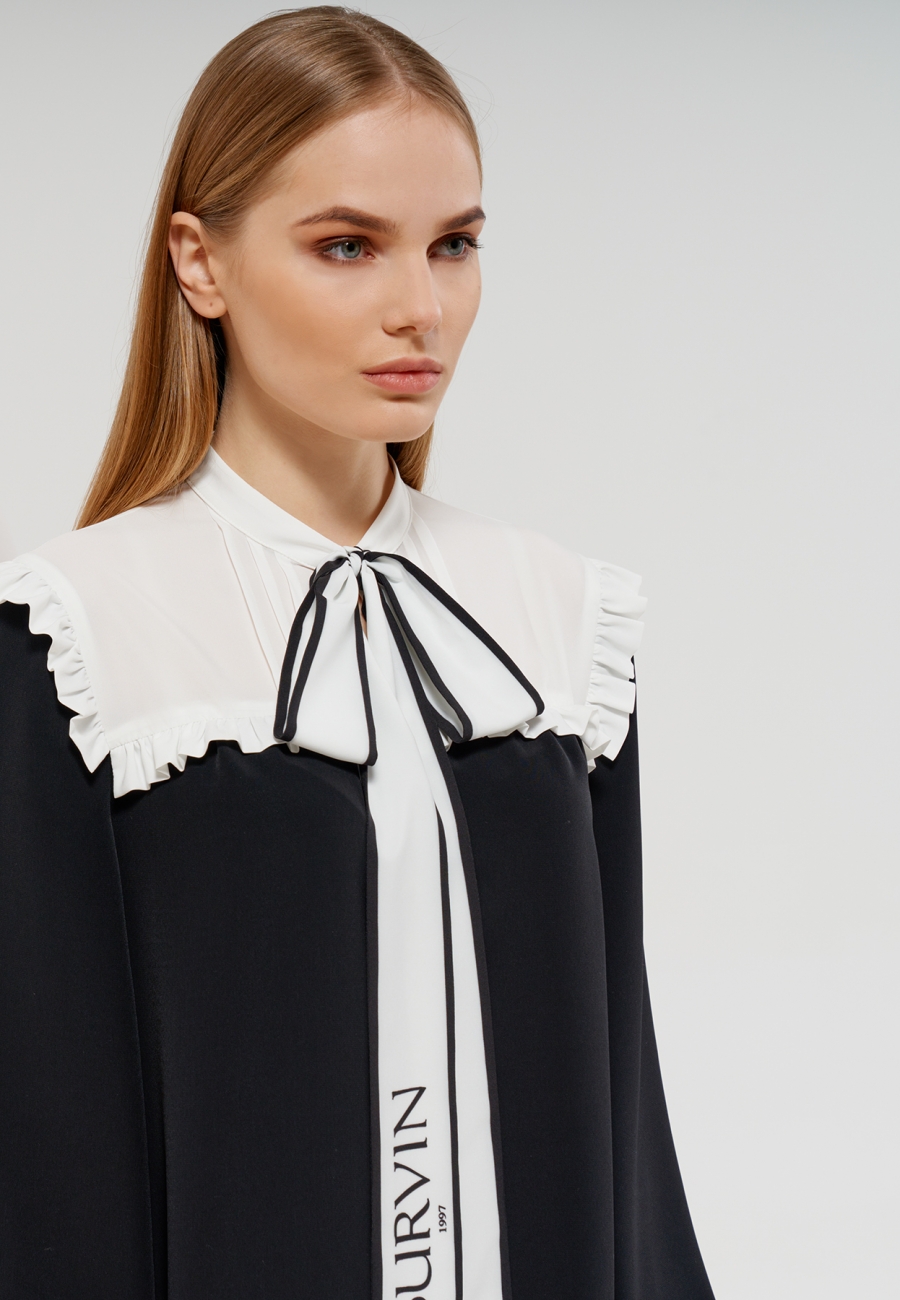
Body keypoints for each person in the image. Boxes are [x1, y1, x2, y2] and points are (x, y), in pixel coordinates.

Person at [0, 9, 714, 1299]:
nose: (419, 307)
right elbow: (53, 1154)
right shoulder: (82, 635)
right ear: (200, 262)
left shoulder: (559, 616)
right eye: (348, 246)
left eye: (455, 245)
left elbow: (623, 1118)